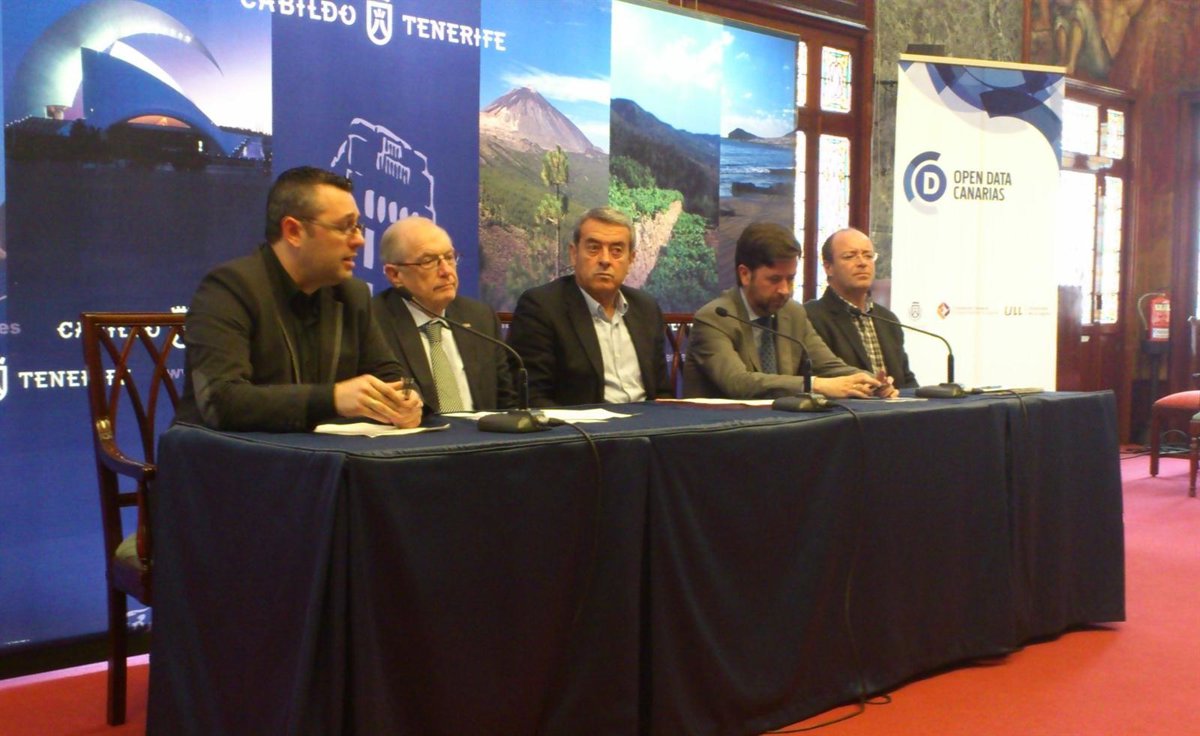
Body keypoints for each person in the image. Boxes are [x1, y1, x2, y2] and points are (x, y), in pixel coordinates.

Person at [175, 166, 423, 432]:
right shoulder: (229, 288)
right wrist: (333, 399)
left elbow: (390, 376)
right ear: (293, 231)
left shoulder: (352, 295)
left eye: (357, 227)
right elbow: (221, 400)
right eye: (345, 227)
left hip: (321, 452)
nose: (359, 240)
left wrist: (406, 399)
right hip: (228, 452)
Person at [683, 222, 893, 399]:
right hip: (722, 429)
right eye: (774, 279)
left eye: (790, 279)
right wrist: (814, 385)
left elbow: (829, 366)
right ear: (745, 274)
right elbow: (738, 383)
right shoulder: (714, 318)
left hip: (782, 427)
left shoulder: (792, 312)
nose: (785, 290)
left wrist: (870, 381)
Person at [507, 206, 672, 407]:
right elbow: (533, 398)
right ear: (574, 254)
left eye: (617, 251)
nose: (605, 260)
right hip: (583, 425)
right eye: (594, 248)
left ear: (631, 259)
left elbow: (662, 391)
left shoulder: (646, 308)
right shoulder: (542, 307)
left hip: (648, 422)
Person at [373, 216, 515, 413]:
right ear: (395, 275)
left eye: (449, 257)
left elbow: (507, 403)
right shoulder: (373, 324)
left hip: (481, 432)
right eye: (428, 261)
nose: (446, 271)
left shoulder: (480, 318)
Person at [803, 228, 917, 389]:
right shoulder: (810, 316)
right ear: (828, 267)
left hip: (893, 403)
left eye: (868, 256)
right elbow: (819, 376)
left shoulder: (887, 318)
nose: (862, 263)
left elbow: (906, 380)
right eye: (850, 256)